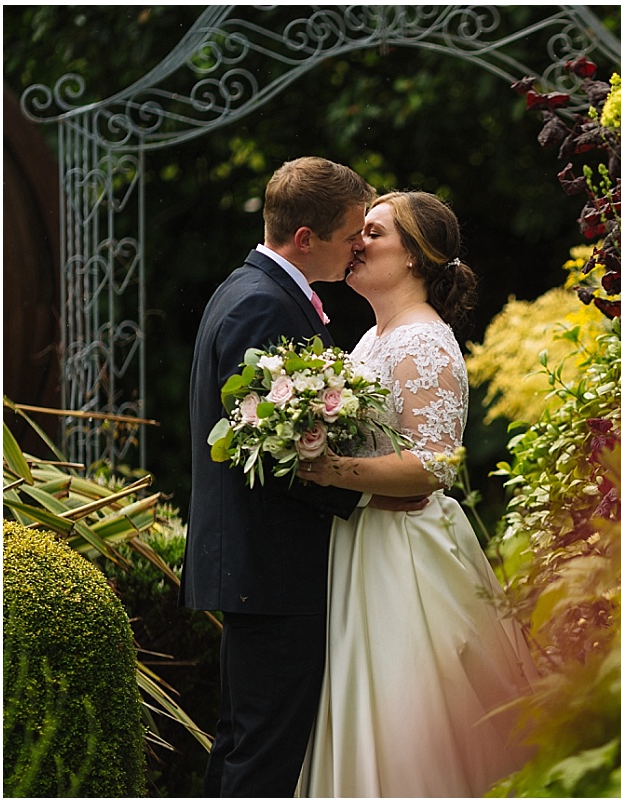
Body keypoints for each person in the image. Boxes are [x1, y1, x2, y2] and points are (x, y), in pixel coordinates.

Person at [182, 157, 424, 796]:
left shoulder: (256, 291)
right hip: (272, 566)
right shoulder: (262, 306)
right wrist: (368, 493)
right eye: (351, 236)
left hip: (261, 567)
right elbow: (268, 456)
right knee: (263, 751)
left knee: (244, 738)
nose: (356, 249)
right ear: (306, 240)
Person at [294, 191, 538, 796]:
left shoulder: (421, 341)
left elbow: (433, 466)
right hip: (362, 543)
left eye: (373, 233)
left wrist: (329, 470)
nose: (357, 244)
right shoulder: (377, 338)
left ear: (412, 257)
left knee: (408, 715)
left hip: (404, 554)